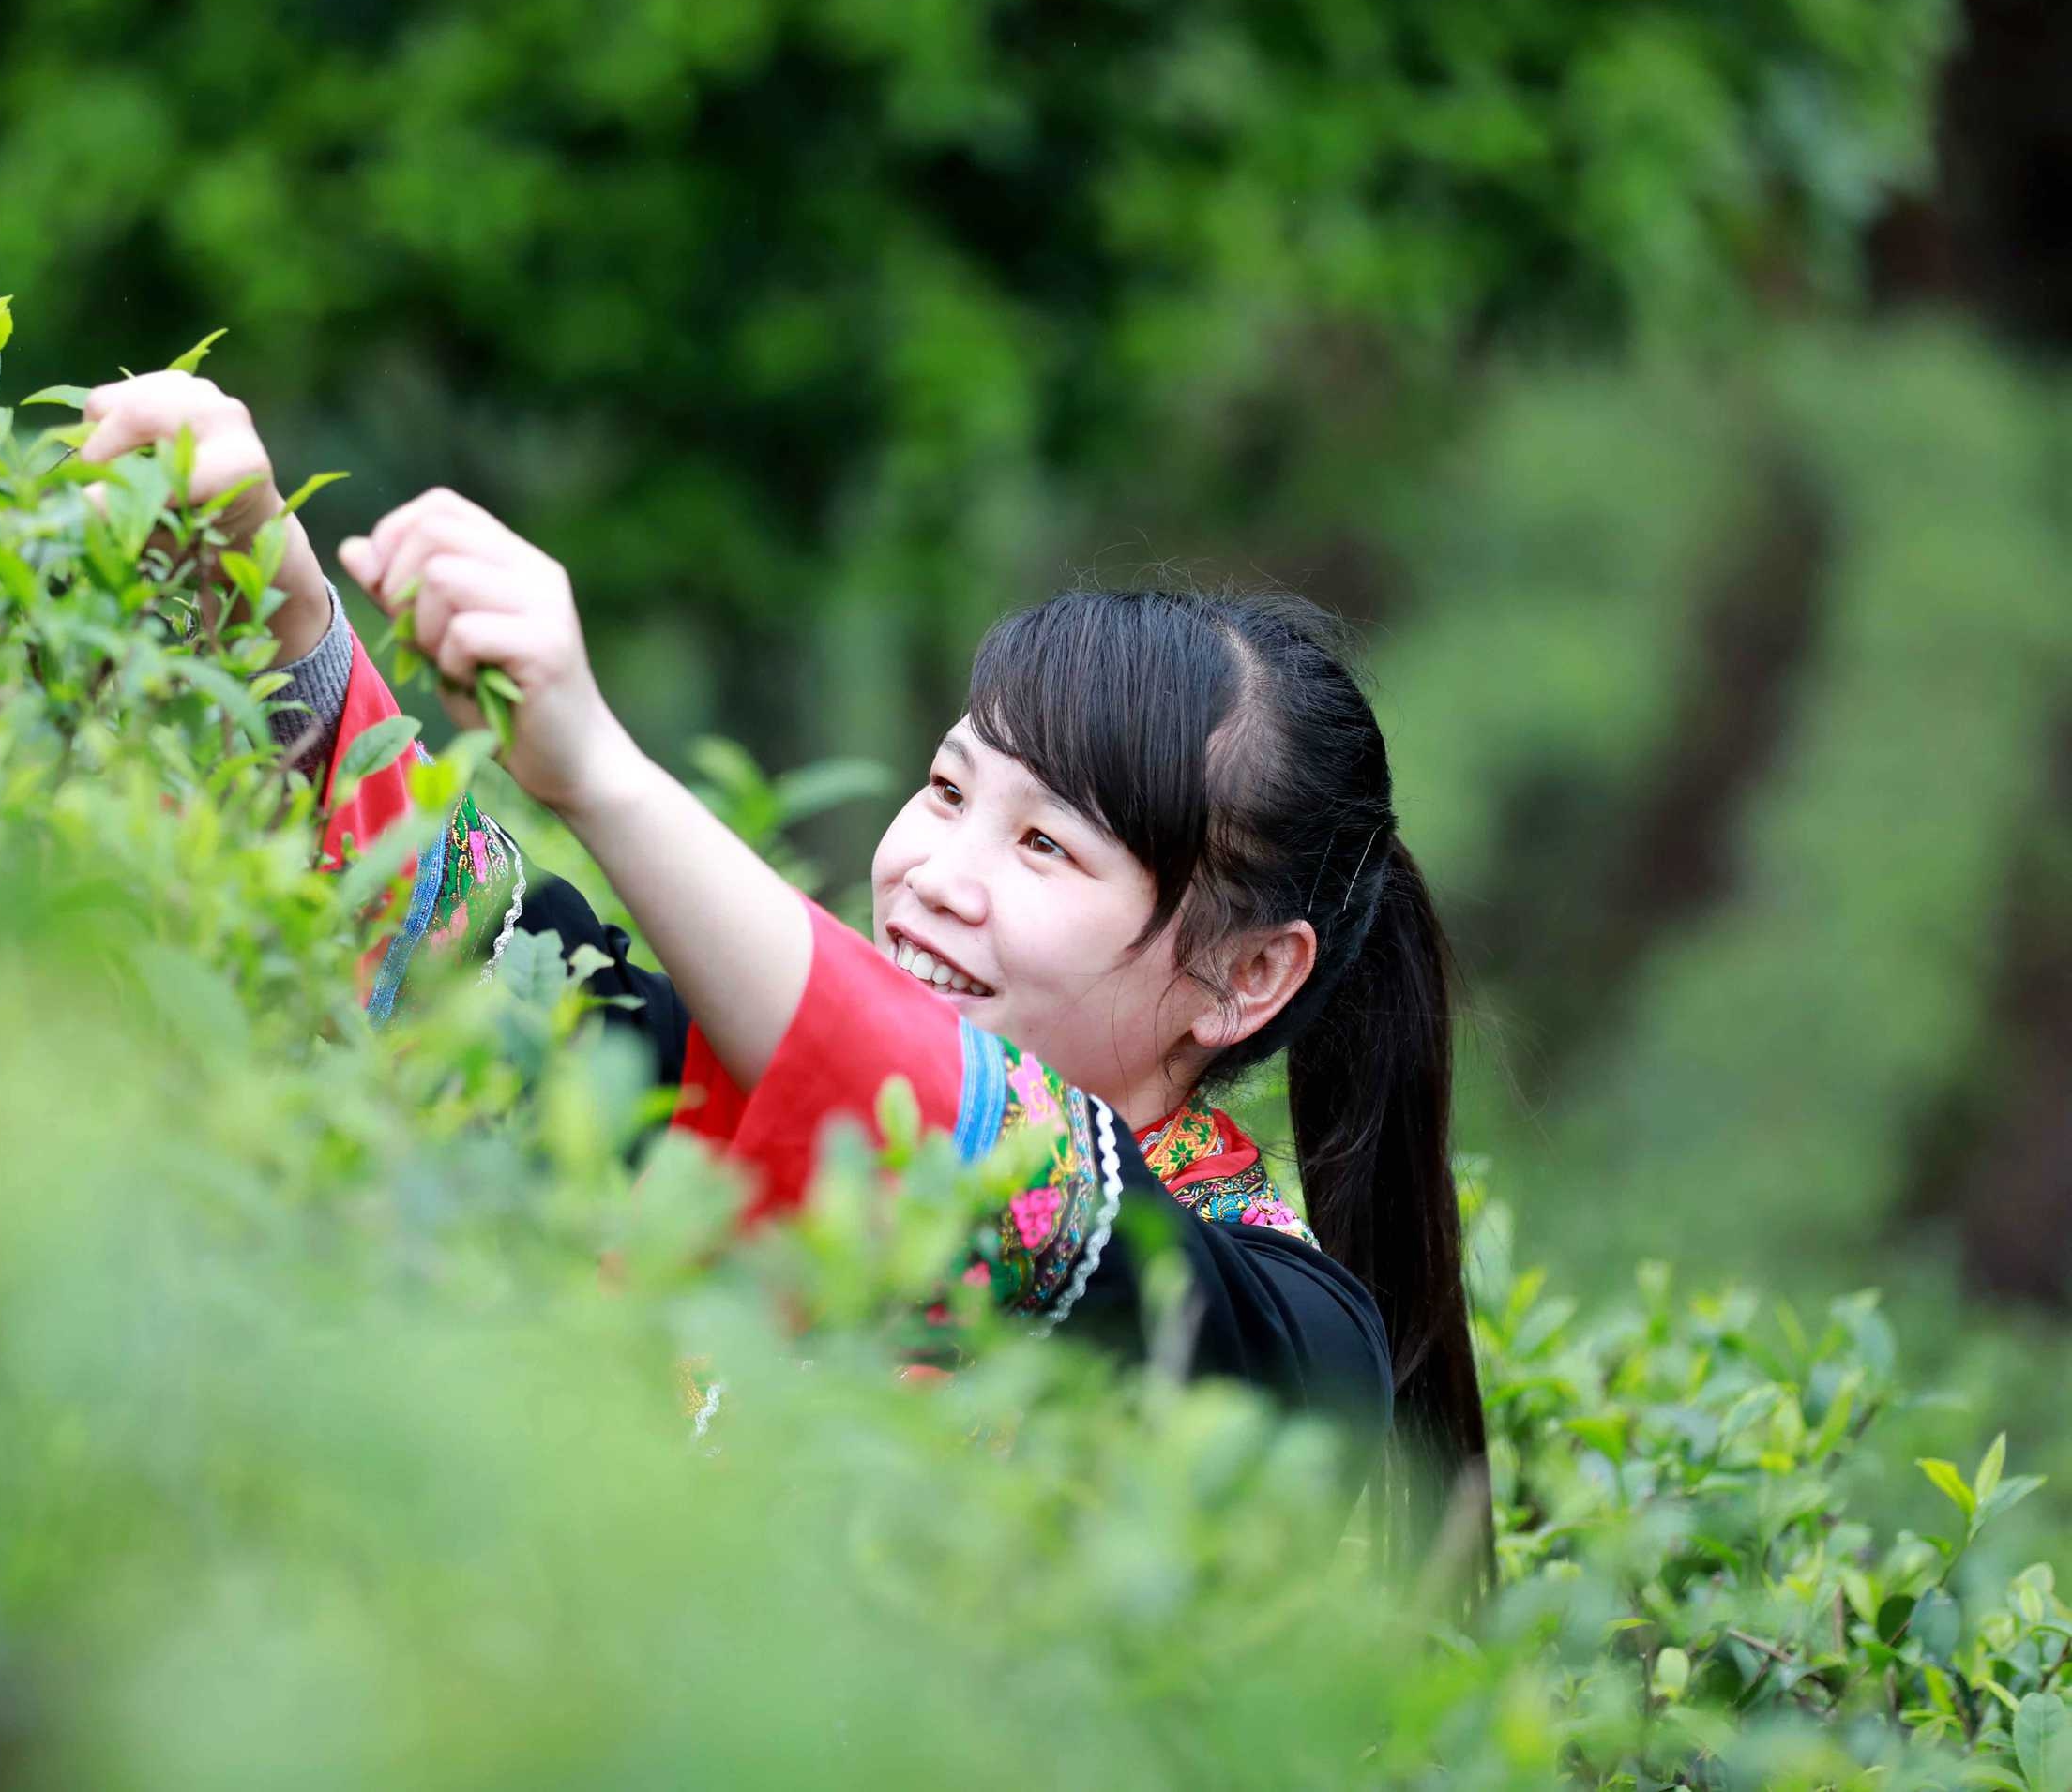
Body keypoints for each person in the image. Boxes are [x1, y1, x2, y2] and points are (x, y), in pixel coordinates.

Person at [79, 370, 1489, 1573]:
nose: (938, 869)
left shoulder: (1289, 1343)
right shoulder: (731, 1103)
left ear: (1247, 977)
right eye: (947, 789)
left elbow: (986, 1153)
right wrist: (278, 605)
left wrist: (607, 777)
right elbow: (470, 951)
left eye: (1048, 844)